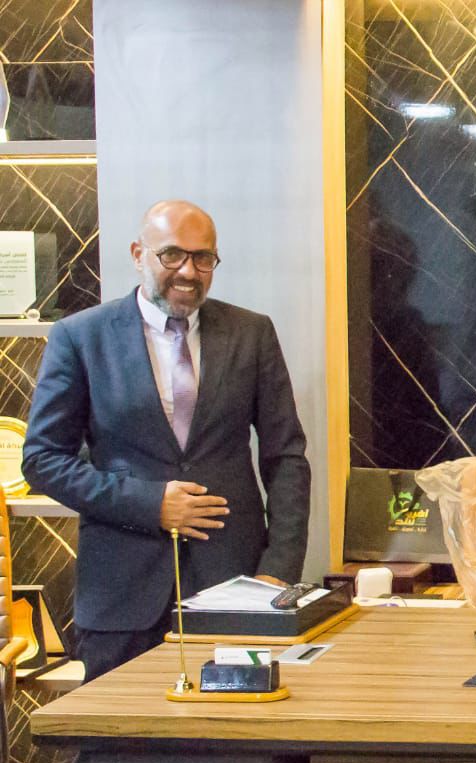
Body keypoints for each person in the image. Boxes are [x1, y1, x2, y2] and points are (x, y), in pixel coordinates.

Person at [23, 200, 310, 683]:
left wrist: (278, 571)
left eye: (203, 258)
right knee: (121, 728)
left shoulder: (251, 333)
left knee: (237, 730)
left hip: (235, 587)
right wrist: (150, 503)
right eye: (172, 255)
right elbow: (42, 460)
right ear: (139, 254)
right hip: (121, 596)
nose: (188, 272)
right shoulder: (81, 337)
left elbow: (286, 458)